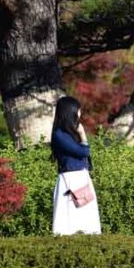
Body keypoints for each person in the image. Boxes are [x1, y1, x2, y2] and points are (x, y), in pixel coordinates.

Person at [50, 96, 101, 235]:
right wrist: (83, 134)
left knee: (86, 218)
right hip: (71, 179)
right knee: (69, 217)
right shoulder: (59, 135)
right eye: (78, 110)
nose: (79, 113)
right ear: (70, 111)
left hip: (80, 177)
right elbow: (83, 151)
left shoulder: (69, 133)